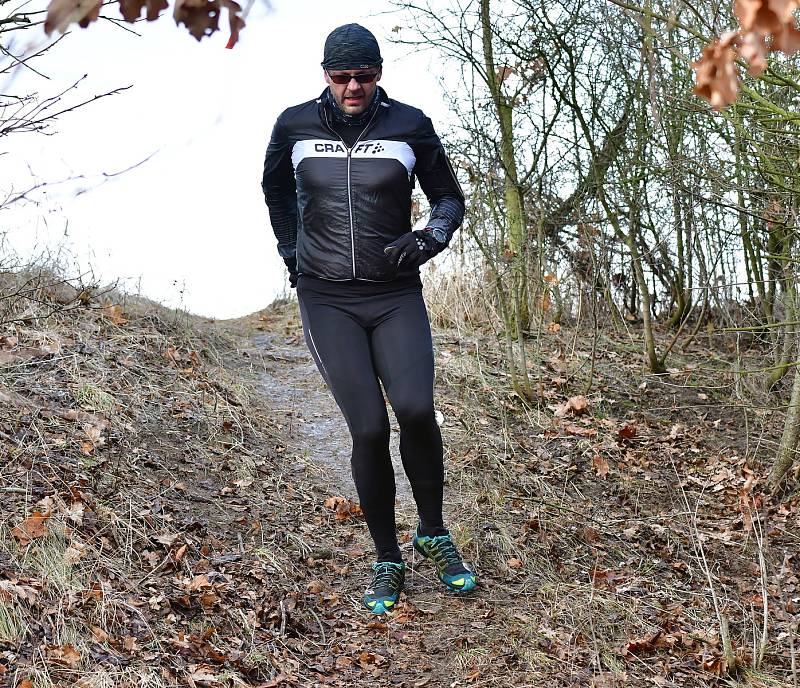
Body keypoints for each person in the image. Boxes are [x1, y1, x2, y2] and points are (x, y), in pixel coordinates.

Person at [261, 23, 476, 615]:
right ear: (324, 74)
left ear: (379, 71)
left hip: (395, 293)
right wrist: (291, 253)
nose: (354, 87)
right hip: (327, 299)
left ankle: (432, 531)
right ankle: (387, 557)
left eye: (365, 75)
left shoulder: (409, 125)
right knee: (369, 429)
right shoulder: (294, 126)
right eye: (341, 77)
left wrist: (429, 238)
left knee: (414, 408)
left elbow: (449, 199)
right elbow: (275, 190)